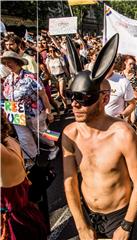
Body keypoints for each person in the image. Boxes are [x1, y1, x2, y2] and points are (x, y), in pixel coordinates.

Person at [62, 34, 137, 239]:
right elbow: (70, 182)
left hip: (118, 215)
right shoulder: (70, 134)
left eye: (83, 98)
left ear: (104, 98)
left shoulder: (123, 134)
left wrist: (127, 225)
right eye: (71, 96)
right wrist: (81, 225)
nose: (75, 104)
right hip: (88, 213)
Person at [1, 51, 58, 166]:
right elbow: (5, 97)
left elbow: (43, 94)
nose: (7, 65)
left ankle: (54, 146)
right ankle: (31, 158)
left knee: (43, 132)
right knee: (24, 137)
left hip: (34, 113)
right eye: (5, 63)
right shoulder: (7, 80)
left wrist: (49, 111)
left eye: (10, 62)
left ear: (17, 62)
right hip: (16, 113)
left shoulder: (30, 77)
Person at [1, 112, 48, 240]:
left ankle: (53, 147)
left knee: (43, 132)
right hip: (26, 214)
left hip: (15, 225)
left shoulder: (3, 153)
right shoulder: (10, 140)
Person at [45, 46, 69, 111]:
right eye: (50, 51)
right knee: (59, 92)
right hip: (53, 77)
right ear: (48, 52)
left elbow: (65, 68)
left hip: (61, 76)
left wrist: (68, 77)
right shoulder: (48, 60)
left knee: (61, 93)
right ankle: (63, 101)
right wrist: (49, 79)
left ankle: (65, 107)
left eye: (53, 50)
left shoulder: (60, 58)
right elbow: (48, 70)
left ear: (55, 51)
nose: (52, 52)